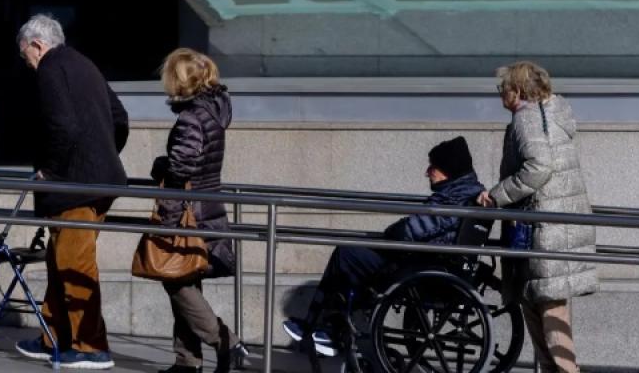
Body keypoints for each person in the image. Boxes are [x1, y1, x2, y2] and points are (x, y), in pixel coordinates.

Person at [282, 136, 485, 356]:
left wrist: (392, 233)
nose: (427, 172)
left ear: (448, 169)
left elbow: (416, 228)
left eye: (432, 167)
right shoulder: (462, 192)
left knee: (346, 254)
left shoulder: (455, 198)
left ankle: (325, 328)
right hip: (424, 262)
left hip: (419, 267)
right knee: (356, 255)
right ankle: (328, 326)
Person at [14, 14, 129, 369]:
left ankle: (90, 346)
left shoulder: (51, 67)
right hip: (95, 180)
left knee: (73, 263)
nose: (28, 65)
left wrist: (52, 170)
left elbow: (61, 126)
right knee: (60, 259)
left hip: (75, 185)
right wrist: (103, 157)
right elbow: (120, 118)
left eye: (25, 56)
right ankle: (55, 337)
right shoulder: (84, 64)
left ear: (37, 45)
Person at [477, 61, 597, 373]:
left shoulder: (526, 118)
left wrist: (497, 195)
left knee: (552, 324)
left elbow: (539, 167)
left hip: (543, 230)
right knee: (544, 313)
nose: (500, 96)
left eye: (502, 89)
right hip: (557, 228)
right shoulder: (552, 113)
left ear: (515, 91)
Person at [150, 48, 247, 373]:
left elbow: (184, 164)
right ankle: (186, 361)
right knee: (185, 277)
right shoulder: (212, 111)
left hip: (189, 211)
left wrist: (162, 166)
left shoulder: (192, 117)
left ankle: (226, 342)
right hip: (206, 205)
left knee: (175, 280)